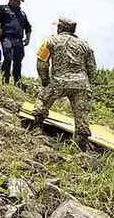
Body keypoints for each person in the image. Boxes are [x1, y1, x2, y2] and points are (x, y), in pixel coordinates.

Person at [30, 18, 97, 152]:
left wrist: (45, 80)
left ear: (60, 28)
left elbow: (41, 63)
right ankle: (82, 142)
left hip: (59, 81)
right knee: (81, 113)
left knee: (43, 99)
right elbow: (92, 68)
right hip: (81, 83)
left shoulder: (50, 41)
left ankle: (37, 126)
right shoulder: (85, 45)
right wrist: (86, 82)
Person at [0, 0, 32, 86]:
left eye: (20, 1)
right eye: (17, 1)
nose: (19, 3)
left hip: (18, 39)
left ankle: (18, 82)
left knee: (18, 60)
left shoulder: (22, 13)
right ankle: (5, 80)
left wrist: (28, 39)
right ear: (11, 0)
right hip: (7, 37)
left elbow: (28, 27)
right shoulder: (2, 8)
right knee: (8, 57)